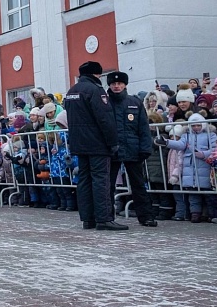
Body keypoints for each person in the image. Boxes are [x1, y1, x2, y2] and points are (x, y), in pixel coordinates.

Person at [63, 61, 123, 230]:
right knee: (100, 180)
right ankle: (104, 219)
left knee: (84, 180)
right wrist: (112, 142)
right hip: (97, 144)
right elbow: (104, 118)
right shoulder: (96, 90)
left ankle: (88, 219)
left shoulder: (72, 91)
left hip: (79, 143)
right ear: (97, 74)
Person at [105, 71, 158, 227]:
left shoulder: (134, 102)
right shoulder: (104, 103)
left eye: (119, 83)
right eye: (113, 84)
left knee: (138, 184)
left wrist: (145, 148)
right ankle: (107, 217)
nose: (116, 86)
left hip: (133, 149)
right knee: (109, 185)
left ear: (125, 85)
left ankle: (146, 216)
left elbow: (143, 127)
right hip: (111, 150)